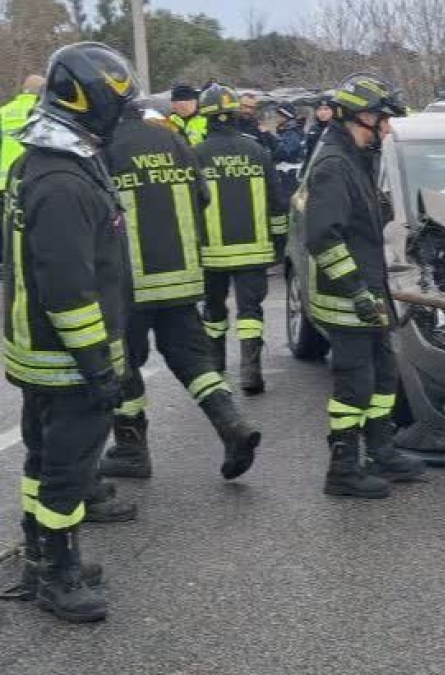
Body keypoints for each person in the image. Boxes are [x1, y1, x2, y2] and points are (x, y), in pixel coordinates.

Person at [3, 41, 139, 623]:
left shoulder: (42, 160)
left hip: (40, 353)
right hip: (67, 358)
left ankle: (38, 559)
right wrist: (97, 366)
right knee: (68, 469)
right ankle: (59, 575)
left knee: (42, 458)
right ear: (86, 100)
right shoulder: (62, 179)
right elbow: (66, 287)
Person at [98, 103, 261, 481]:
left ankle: (131, 449)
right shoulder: (172, 137)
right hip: (182, 278)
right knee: (194, 363)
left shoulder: (104, 147)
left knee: (124, 366)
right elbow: (203, 196)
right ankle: (232, 425)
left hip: (130, 284)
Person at [304, 73, 425, 499]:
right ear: (364, 116)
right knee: (354, 385)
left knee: (383, 376)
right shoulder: (334, 165)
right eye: (384, 120)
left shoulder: (357, 158)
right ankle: (342, 469)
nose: (388, 130)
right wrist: (355, 290)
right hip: (348, 301)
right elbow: (322, 236)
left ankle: (381, 451)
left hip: (371, 295)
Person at [195, 84, 288, 395]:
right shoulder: (258, 151)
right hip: (253, 250)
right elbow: (277, 202)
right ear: (236, 114)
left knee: (213, 309)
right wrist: (278, 243)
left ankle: (215, 366)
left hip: (210, 253)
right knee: (250, 312)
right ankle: (250, 371)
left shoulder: (196, 155)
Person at [0, 74, 44, 264]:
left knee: (8, 225)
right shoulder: (42, 111)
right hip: (35, 176)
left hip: (4, 182)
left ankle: (6, 262)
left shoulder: (3, 112)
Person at [274, 102, 306, 200]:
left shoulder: (292, 133)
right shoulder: (288, 131)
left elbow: (284, 153)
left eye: (278, 115)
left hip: (290, 177)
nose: (276, 118)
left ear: (285, 116)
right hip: (288, 176)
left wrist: (268, 139)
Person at [235, 92, 278, 157]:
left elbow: (275, 148)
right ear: (238, 105)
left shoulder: (258, 127)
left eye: (251, 108)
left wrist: (266, 134)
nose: (248, 110)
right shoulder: (228, 124)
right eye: (245, 106)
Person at [303, 96, 334, 167]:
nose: (322, 112)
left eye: (326, 109)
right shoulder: (313, 129)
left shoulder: (335, 130)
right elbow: (308, 153)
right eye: (319, 109)